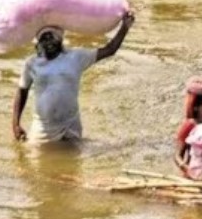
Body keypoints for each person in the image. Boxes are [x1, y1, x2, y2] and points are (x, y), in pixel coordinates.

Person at [12, 12, 134, 144]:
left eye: (51, 37)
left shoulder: (75, 57)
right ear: (38, 44)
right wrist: (15, 124)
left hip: (71, 126)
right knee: (34, 157)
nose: (48, 42)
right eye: (44, 39)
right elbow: (22, 90)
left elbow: (110, 50)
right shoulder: (32, 63)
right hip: (43, 130)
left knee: (74, 156)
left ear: (60, 40)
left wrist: (125, 26)